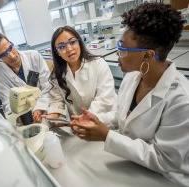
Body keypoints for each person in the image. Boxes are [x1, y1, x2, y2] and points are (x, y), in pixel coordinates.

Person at [71, 3, 189, 186]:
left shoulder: (181, 100)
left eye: (123, 49)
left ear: (148, 56)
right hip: (133, 166)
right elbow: (122, 117)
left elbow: (165, 159)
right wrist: (96, 121)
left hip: (165, 178)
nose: (118, 54)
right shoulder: (134, 76)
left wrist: (106, 135)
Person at [45, 26, 117, 124]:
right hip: (79, 125)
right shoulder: (57, 75)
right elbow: (56, 100)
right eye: (62, 47)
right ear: (57, 52)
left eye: (72, 42)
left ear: (79, 42)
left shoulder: (99, 64)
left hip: (104, 121)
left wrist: (86, 118)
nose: (69, 49)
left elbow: (104, 99)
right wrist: (54, 113)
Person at [0, 33, 51, 125]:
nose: (11, 55)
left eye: (10, 48)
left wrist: (39, 107)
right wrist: (27, 114)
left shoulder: (33, 56)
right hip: (26, 120)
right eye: (4, 54)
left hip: (48, 109)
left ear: (11, 43)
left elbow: (48, 87)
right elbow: (8, 104)